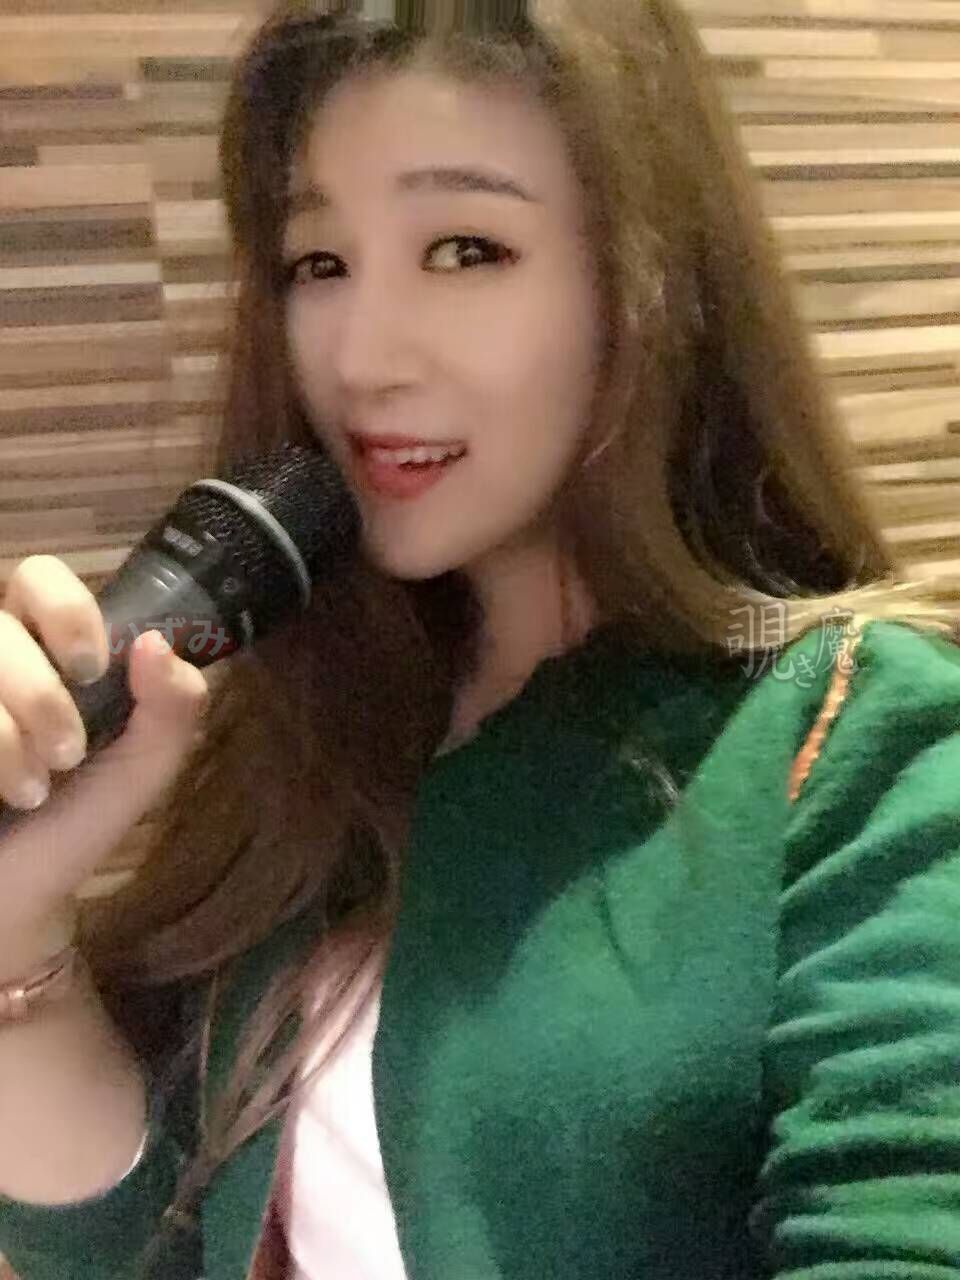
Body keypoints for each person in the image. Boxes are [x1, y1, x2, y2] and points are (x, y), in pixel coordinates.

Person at [0, 0, 959, 1276]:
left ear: (650, 285)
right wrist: (18, 926)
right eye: (317, 263)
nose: (362, 356)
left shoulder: (858, 742)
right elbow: (153, 1252)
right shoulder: (321, 736)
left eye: (465, 249)